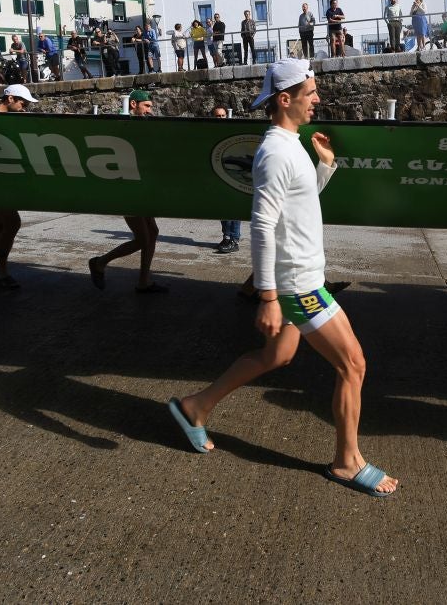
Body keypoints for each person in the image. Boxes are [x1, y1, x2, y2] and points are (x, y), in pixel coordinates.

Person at [168, 60, 398, 497]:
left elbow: (300, 202)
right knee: (353, 364)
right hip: (297, 284)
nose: (318, 99)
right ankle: (347, 462)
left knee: (276, 357)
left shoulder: (292, 146)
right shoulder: (275, 152)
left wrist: (325, 166)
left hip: (303, 276)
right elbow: (261, 223)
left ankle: (195, 407)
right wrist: (269, 296)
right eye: (310, 93)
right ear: (284, 99)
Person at [88, 90, 165, 293]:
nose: (150, 110)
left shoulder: (141, 124)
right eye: (146, 106)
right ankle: (100, 262)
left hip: (140, 187)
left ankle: (144, 280)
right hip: (127, 189)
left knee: (153, 232)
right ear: (133, 104)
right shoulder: (121, 124)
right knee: (142, 238)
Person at [0, 84, 38, 290]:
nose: (26, 106)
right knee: (12, 223)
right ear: (10, 98)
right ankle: (2, 270)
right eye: (23, 102)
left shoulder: (10, 118)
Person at [211, 106, 241, 254]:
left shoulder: (233, 132)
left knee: (233, 210)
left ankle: (234, 240)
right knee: (222, 210)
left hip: (232, 176)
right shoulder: (210, 134)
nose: (221, 119)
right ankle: (226, 237)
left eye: (223, 116)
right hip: (219, 177)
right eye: (218, 116)